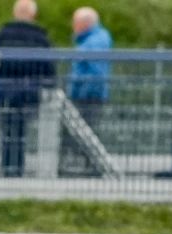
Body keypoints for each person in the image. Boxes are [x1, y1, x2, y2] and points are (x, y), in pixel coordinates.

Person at [0, 0, 54, 177]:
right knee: (21, 132)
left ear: (15, 13)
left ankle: (7, 166)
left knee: (7, 130)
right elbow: (49, 69)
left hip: (3, 92)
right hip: (29, 92)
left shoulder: (1, 35)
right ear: (33, 15)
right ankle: (17, 168)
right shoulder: (41, 38)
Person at [62, 6, 112, 175]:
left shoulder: (94, 42)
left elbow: (95, 72)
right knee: (84, 133)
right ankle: (86, 167)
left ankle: (89, 169)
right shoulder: (92, 39)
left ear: (85, 23)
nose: (73, 26)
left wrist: (81, 93)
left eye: (75, 22)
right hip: (86, 94)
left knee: (85, 134)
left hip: (88, 96)